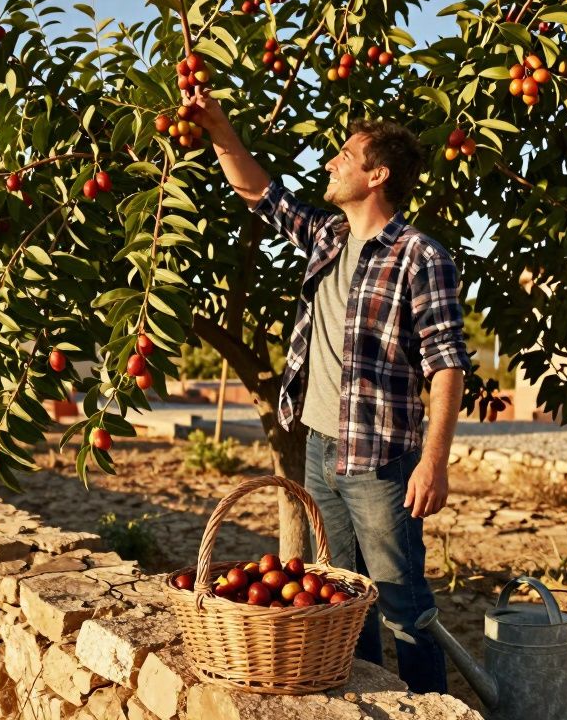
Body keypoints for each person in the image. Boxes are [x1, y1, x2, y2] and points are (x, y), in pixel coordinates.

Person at [187, 90, 470, 694]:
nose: (330, 163)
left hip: (380, 462)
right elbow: (259, 193)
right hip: (320, 447)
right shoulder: (328, 238)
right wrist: (219, 129)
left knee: (402, 601)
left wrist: (434, 463)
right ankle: (360, 697)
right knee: (339, 596)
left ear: (378, 174)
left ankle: (431, 705)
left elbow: (447, 364)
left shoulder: (421, 256)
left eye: (344, 154)